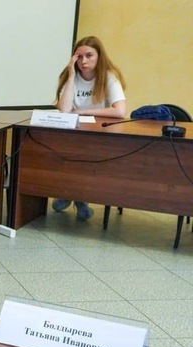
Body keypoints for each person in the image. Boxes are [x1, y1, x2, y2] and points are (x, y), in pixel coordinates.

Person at [53, 35, 127, 220]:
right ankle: (72, 195)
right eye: (79, 57)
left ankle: (75, 197)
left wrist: (84, 111)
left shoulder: (109, 77)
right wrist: (71, 75)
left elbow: (120, 111)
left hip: (99, 134)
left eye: (89, 55)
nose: (83, 61)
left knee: (85, 156)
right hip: (73, 133)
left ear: (99, 56)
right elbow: (64, 109)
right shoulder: (71, 77)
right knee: (64, 153)